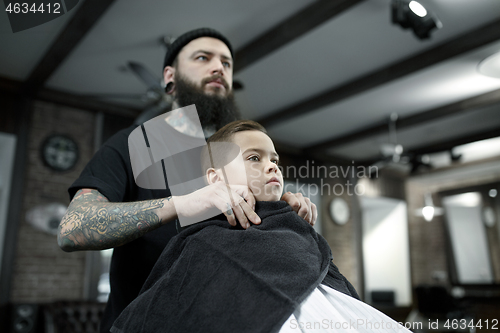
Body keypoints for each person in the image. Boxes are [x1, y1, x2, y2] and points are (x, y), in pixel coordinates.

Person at [58, 28, 317, 333]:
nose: (219, 67)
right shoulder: (134, 144)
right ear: (170, 76)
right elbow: (73, 228)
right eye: (203, 58)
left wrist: (279, 208)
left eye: (227, 63)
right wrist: (184, 204)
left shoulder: (233, 157)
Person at [110, 120, 411, 333]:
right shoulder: (204, 243)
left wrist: (290, 224)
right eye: (254, 158)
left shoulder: (295, 226)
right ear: (215, 178)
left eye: (275, 160)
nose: (272, 166)